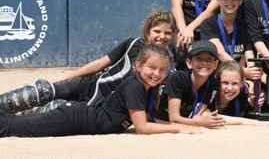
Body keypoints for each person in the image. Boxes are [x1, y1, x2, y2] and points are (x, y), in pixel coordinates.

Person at [0, 45, 203, 137]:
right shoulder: (135, 86)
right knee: (13, 127)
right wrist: (177, 128)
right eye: (152, 68)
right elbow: (143, 127)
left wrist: (177, 123)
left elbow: (148, 118)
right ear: (138, 66)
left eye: (162, 70)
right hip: (76, 118)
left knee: (16, 124)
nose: (157, 74)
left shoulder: (148, 89)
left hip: (79, 118)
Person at [0, 10, 177, 114]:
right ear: (148, 31)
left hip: (103, 103)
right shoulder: (133, 44)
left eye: (168, 33)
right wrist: (66, 79)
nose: (162, 37)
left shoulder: (169, 67)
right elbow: (99, 64)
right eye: (157, 31)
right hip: (91, 84)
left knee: (55, 109)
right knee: (42, 91)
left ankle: (21, 117)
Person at [156, 40, 227, 129]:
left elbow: (197, 115)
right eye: (199, 58)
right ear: (189, 63)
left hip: (186, 121)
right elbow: (174, 119)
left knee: (208, 114)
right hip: (161, 121)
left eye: (209, 59)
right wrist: (202, 123)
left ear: (216, 64)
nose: (204, 63)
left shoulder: (213, 82)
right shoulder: (178, 78)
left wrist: (203, 121)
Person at [199, 0, 260, 81]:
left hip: (235, 80)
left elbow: (249, 58)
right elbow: (220, 54)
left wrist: (251, 79)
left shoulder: (243, 27)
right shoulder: (208, 25)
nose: (230, 1)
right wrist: (244, 72)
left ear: (241, 0)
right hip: (214, 79)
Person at [207, 61, 265, 126]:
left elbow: (249, 84)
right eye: (225, 83)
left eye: (234, 83)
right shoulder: (209, 94)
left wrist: (254, 102)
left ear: (241, 83)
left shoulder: (244, 92)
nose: (229, 88)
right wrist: (243, 121)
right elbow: (208, 117)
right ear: (217, 81)